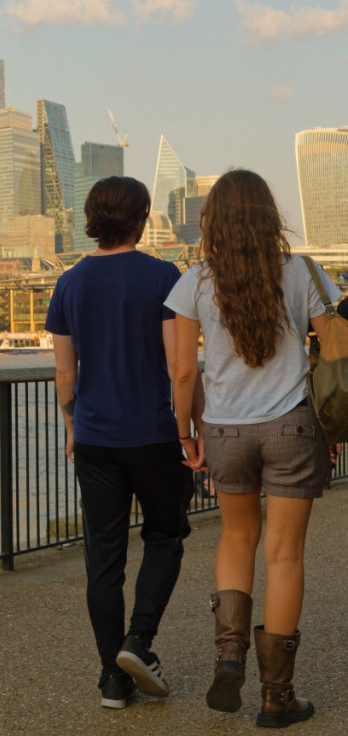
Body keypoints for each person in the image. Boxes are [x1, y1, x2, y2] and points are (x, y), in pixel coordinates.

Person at [166, 169, 338, 727]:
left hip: (225, 430)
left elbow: (183, 371)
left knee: (237, 538)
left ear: (211, 220)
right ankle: (277, 698)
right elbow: (336, 350)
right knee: (284, 555)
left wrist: (186, 435)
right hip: (292, 426)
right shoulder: (302, 272)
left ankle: (230, 656)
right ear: (270, 216)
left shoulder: (194, 281)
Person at [45, 176, 196, 709]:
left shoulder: (69, 283)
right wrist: (188, 432)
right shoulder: (163, 276)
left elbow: (66, 372)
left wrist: (71, 425)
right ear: (142, 216)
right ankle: (140, 641)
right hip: (154, 433)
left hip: (94, 436)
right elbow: (180, 366)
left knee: (103, 559)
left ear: (91, 219)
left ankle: (114, 678)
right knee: (165, 537)